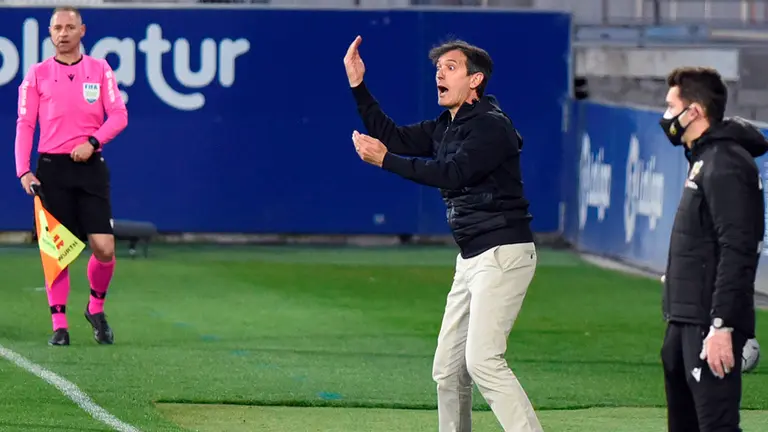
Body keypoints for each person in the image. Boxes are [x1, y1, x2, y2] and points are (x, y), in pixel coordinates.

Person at [344, 36, 543, 432]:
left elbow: (452, 174)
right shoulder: (447, 125)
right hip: (472, 257)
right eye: (439, 67)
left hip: (503, 252)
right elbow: (394, 136)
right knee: (448, 371)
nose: (440, 72)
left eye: (451, 66)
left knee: (483, 360)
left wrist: (386, 161)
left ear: (475, 80)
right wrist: (358, 86)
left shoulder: (491, 126)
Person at [659, 66, 766, 432]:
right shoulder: (704, 159)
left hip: (708, 320)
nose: (666, 116)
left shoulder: (726, 163)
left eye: (671, 106)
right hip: (685, 316)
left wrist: (722, 325)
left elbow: (738, 248)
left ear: (695, 112)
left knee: (716, 425)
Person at [14, 6, 128, 347]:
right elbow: (26, 124)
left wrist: (92, 142)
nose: (62, 33)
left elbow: (119, 115)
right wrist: (23, 170)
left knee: (104, 247)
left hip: (90, 168)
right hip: (52, 169)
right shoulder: (36, 74)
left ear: (83, 31)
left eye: (69, 27)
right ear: (50, 33)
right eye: (57, 28)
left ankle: (95, 307)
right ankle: (59, 325)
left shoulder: (100, 70)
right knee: (56, 251)